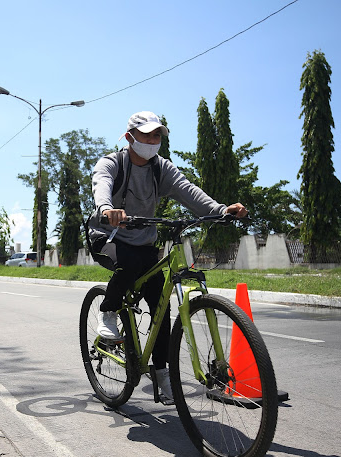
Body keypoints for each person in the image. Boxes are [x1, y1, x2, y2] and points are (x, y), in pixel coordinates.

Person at [88, 111, 247, 400]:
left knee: (161, 305)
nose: (153, 140)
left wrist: (221, 210)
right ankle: (108, 313)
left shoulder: (160, 169)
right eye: (147, 135)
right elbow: (102, 185)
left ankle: (162, 375)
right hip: (108, 236)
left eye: (157, 135)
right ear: (129, 138)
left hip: (143, 241)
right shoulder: (113, 163)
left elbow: (189, 192)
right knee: (128, 263)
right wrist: (107, 209)